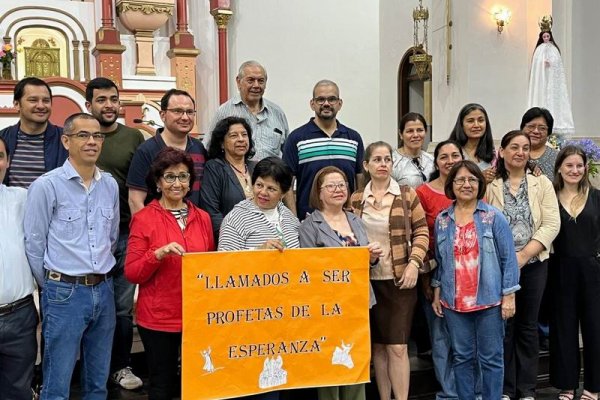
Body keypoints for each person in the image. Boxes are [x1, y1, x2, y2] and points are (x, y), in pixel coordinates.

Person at [24, 113, 119, 400]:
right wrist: (53, 283)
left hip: (104, 290)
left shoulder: (110, 185)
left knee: (98, 381)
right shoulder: (47, 185)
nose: (92, 141)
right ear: (66, 140)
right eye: (83, 135)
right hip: (64, 293)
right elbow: (34, 242)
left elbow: (111, 237)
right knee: (57, 383)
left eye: (97, 136)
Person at [125, 147, 214, 400]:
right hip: (158, 318)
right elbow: (132, 272)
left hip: (195, 316)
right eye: (170, 176)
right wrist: (157, 254)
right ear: (158, 182)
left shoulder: (203, 218)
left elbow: (209, 266)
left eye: (183, 176)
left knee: (197, 384)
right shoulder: (143, 218)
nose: (177, 183)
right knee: (161, 385)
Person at [432, 160, 519, 400]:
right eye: (460, 180)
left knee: (491, 358)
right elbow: (440, 260)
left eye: (472, 180)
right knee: (462, 357)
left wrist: (509, 295)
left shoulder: (493, 217)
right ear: (451, 185)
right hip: (454, 302)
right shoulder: (442, 220)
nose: (466, 184)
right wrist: (437, 291)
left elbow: (508, 258)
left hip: (489, 300)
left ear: (480, 184)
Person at [350, 142, 429, 400]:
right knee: (378, 348)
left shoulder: (406, 194)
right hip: (367, 282)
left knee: (397, 347)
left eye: (387, 159)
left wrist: (414, 264)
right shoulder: (356, 199)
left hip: (400, 281)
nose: (383, 164)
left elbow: (422, 231)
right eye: (377, 160)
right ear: (366, 165)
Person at [485, 130, 560, 400]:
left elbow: (552, 223)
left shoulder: (542, 184)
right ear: (501, 151)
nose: (520, 152)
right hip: (497, 264)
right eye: (514, 147)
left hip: (534, 262)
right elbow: (481, 220)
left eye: (525, 148)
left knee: (528, 325)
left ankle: (527, 389)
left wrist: (523, 255)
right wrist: (509, 259)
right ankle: (504, 389)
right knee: (503, 325)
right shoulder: (489, 185)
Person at [217, 156, 299, 400]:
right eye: (259, 185)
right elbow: (224, 263)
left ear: (284, 192)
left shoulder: (290, 219)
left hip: (285, 313)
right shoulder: (237, 217)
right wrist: (257, 252)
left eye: (272, 188)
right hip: (250, 315)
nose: (263, 192)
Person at [299, 166, 382, 400]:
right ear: (319, 191)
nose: (339, 190)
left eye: (343, 185)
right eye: (332, 186)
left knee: (356, 365)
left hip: (359, 303)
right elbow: (308, 271)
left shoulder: (355, 220)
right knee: (330, 366)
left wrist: (372, 258)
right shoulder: (309, 226)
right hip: (328, 308)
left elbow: (365, 263)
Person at [85, 77, 145, 390]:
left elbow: (143, 183)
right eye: (101, 100)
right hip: (88, 236)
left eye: (113, 99)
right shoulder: (82, 137)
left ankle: (121, 365)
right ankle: (90, 368)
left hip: (124, 231)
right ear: (88, 105)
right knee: (90, 304)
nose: (108, 105)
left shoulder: (133, 137)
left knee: (121, 307)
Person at [549, 145, 600, 400]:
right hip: (560, 270)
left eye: (579, 165)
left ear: (586, 168)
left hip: (593, 271)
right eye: (569, 165)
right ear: (559, 167)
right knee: (563, 328)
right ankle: (567, 385)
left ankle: (593, 387)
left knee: (595, 328)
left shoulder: (596, 196)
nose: (575, 170)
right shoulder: (550, 196)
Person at [416, 140, 465, 400]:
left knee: (466, 340)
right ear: (435, 163)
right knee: (440, 338)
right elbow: (419, 235)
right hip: (435, 272)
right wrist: (426, 278)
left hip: (468, 275)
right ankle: (449, 393)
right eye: (443, 156)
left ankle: (469, 390)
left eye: (455, 155)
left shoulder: (471, 189)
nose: (449, 160)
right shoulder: (423, 192)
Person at [283, 79, 364, 220]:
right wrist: (294, 220)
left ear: (340, 104)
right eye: (320, 99)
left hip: (346, 221)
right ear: (312, 104)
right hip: (308, 221)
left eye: (332, 99)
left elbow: (360, 182)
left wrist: (357, 216)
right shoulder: (296, 139)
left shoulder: (353, 139)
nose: (326, 103)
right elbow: (286, 185)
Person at [0, 136, 38, 400]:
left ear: (8, 162)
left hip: (18, 317)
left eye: (0, 156)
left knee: (18, 392)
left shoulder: (24, 199)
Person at [127, 88, 206, 214]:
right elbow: (135, 200)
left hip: (193, 227)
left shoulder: (199, 148)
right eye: (178, 111)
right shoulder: (146, 150)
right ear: (162, 115)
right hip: (157, 228)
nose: (185, 117)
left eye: (190, 112)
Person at [203, 61, 289, 161]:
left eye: (261, 81)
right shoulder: (224, 112)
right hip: (235, 175)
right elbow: (208, 147)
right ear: (238, 82)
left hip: (272, 175)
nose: (256, 85)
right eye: (250, 80)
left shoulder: (277, 113)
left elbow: (288, 151)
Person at [0, 77, 67, 187]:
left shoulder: (66, 141)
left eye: (46, 101)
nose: (41, 106)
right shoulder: (3, 139)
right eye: (33, 100)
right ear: (17, 104)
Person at [199, 116, 256, 241]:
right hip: (231, 241)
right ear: (221, 143)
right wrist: (233, 239)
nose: (241, 139)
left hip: (261, 239)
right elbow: (211, 212)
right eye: (234, 136)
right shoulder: (214, 168)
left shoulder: (257, 167)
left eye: (244, 135)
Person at [527, 17, 575, 136]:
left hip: (551, 81)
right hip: (542, 81)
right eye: (544, 37)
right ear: (541, 37)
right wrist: (541, 65)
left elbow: (558, 65)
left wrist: (551, 64)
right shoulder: (538, 50)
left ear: (550, 36)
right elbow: (536, 66)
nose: (546, 38)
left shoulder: (554, 49)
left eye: (548, 36)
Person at [448, 103, 496, 183]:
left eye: (481, 120)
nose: (476, 125)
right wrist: (479, 178)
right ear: (461, 124)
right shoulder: (451, 152)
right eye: (470, 121)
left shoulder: (494, 155)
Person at [391, 112, 434, 188]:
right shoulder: (392, 161)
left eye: (420, 130)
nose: (415, 135)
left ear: (426, 132)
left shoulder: (432, 160)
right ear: (401, 134)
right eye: (410, 131)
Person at [520, 107, 558, 181]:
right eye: (531, 126)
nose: (536, 131)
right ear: (522, 128)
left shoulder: (558, 158)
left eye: (542, 128)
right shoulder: (512, 154)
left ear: (548, 132)